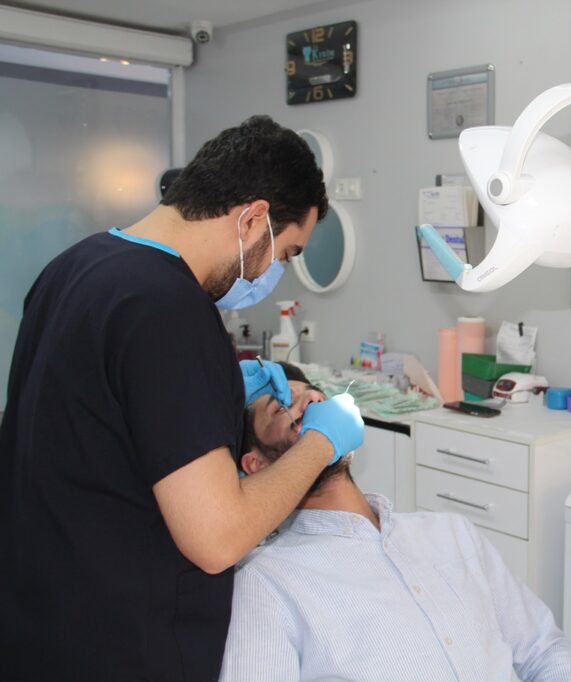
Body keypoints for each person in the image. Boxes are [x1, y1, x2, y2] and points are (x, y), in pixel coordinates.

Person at [0, 116, 365, 681]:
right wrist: (321, 443)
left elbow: (97, 415)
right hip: (118, 646)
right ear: (253, 218)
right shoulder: (171, 308)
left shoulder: (74, 268)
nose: (275, 271)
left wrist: (220, 385)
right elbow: (217, 537)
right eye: (285, 254)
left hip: (38, 626)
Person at [220, 364, 571, 682]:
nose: (311, 401)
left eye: (313, 393)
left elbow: (545, 650)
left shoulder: (452, 533)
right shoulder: (266, 583)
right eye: (282, 407)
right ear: (256, 465)